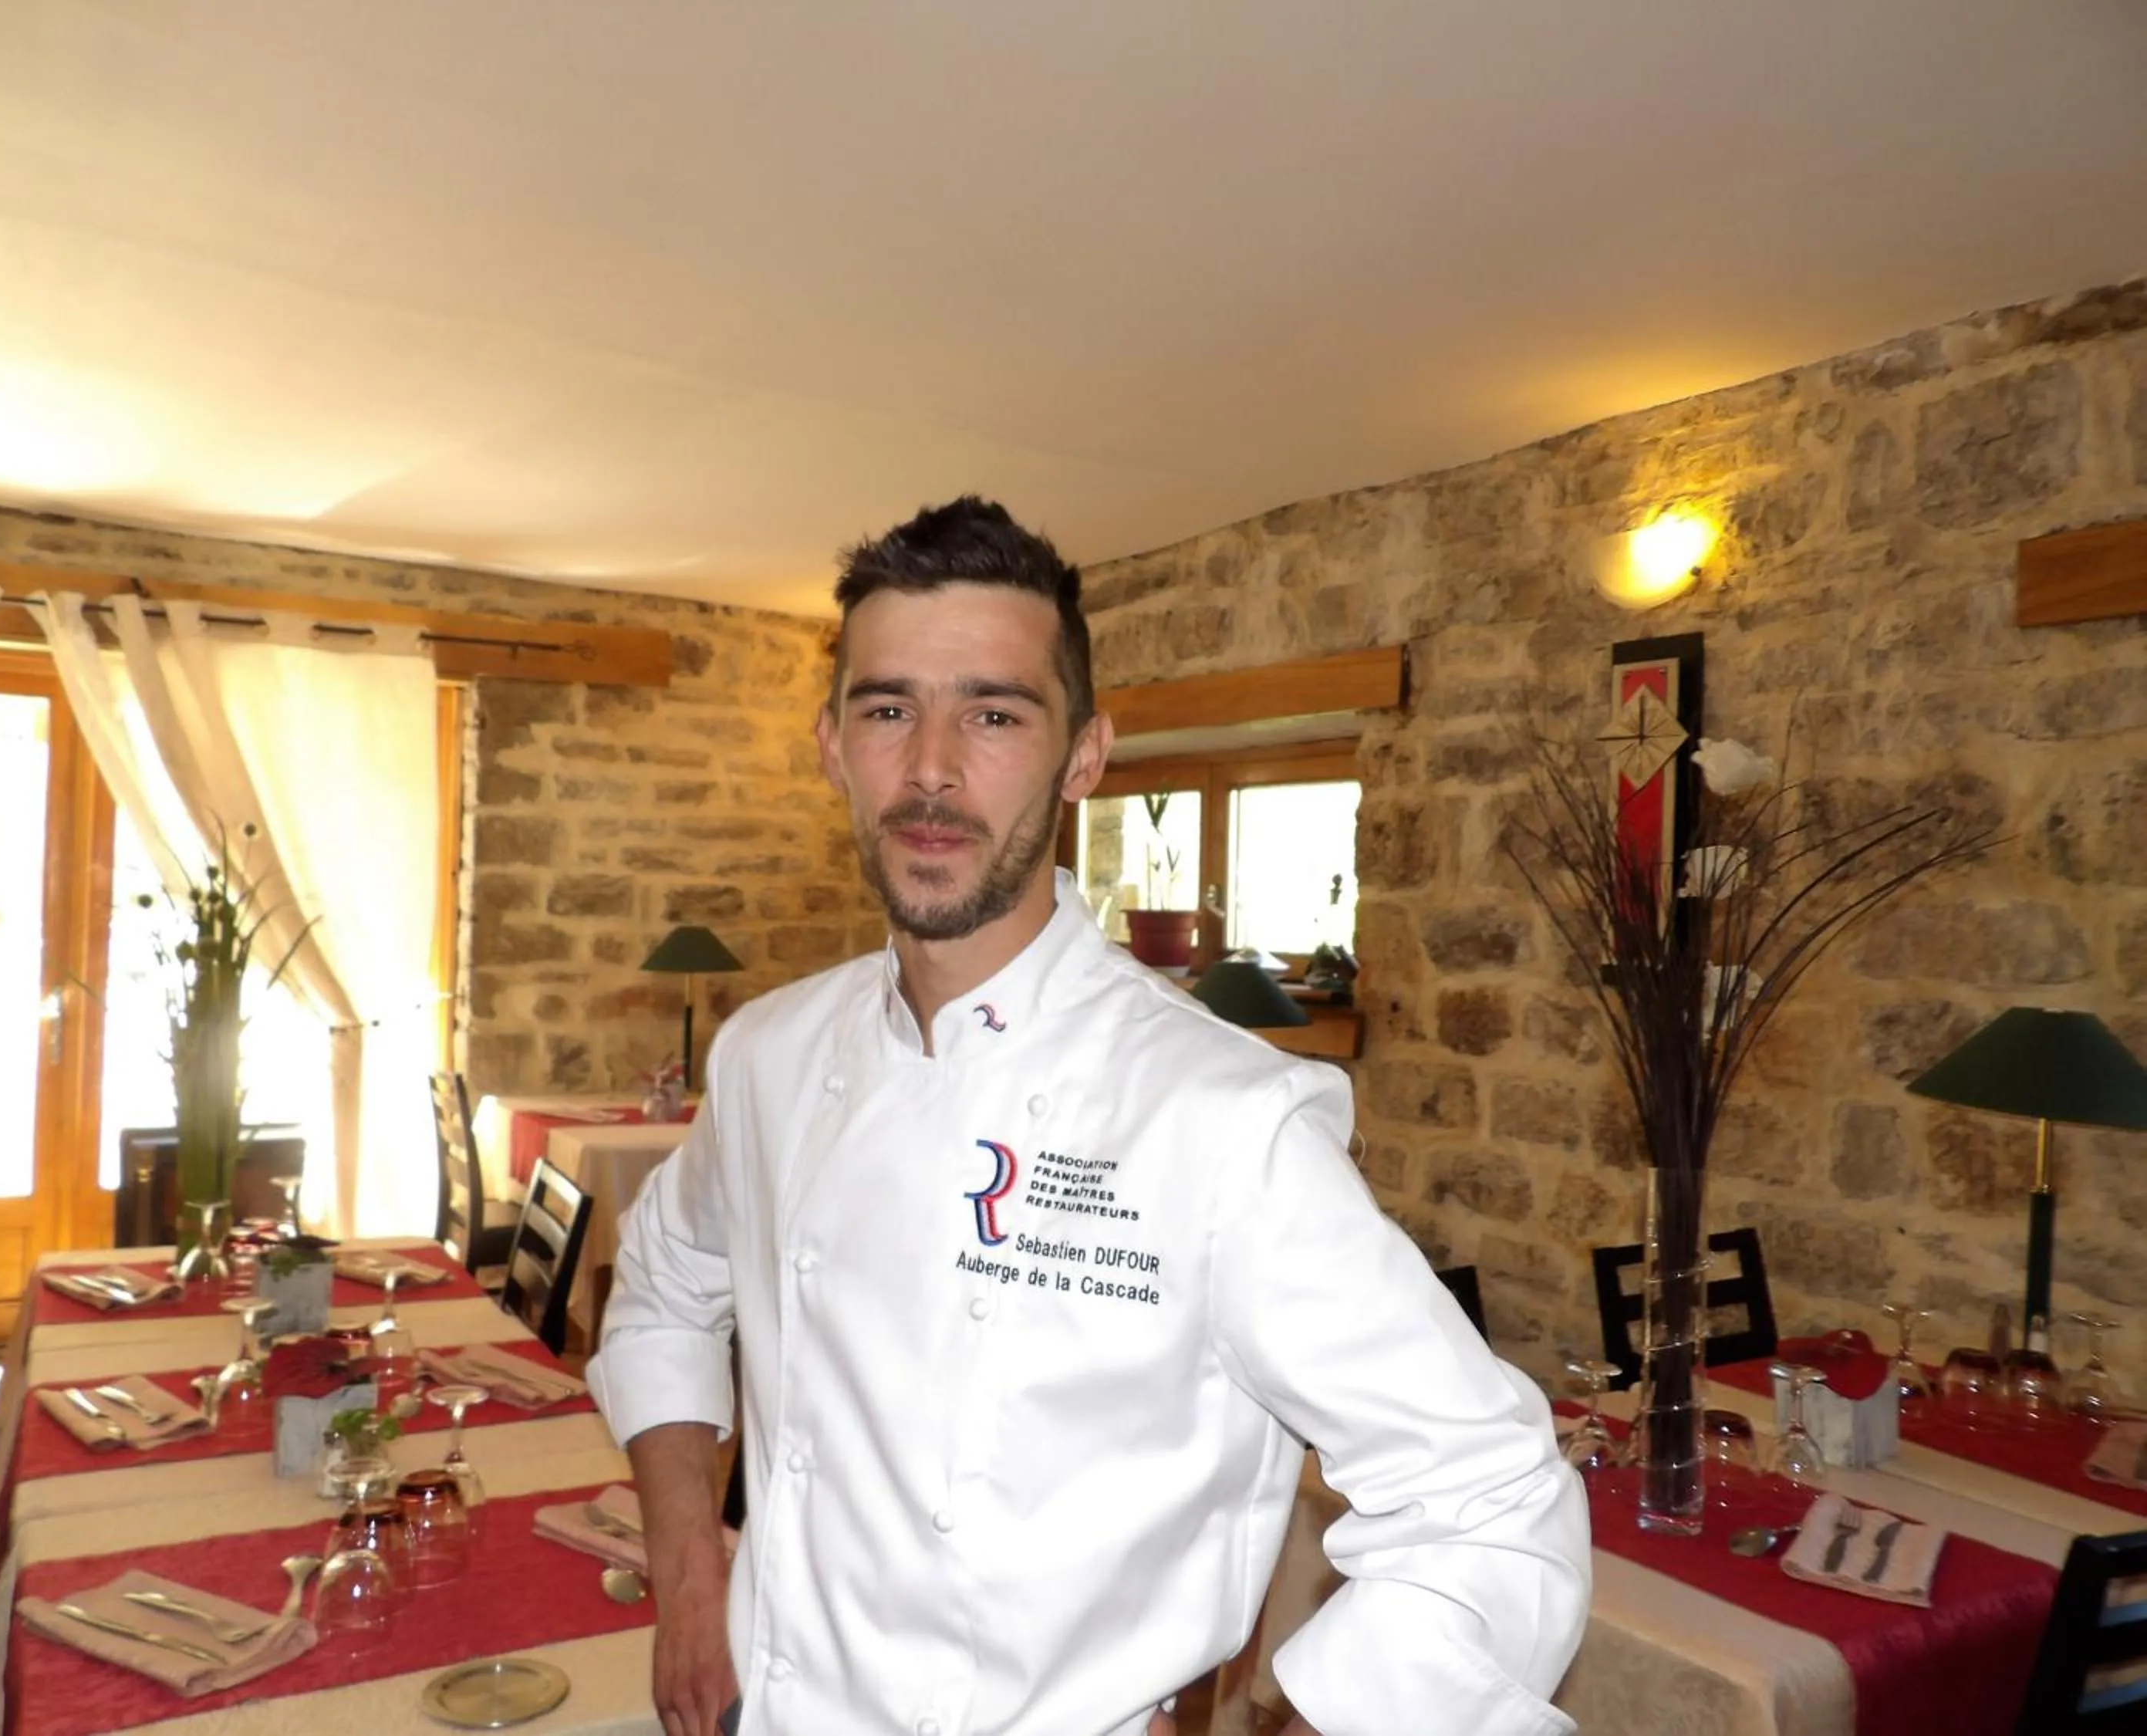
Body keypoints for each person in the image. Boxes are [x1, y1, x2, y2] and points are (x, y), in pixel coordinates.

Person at [591, 496, 1590, 1736]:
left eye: (995, 713)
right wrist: (690, 1578)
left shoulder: (1221, 1119)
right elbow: (665, 1287)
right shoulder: (768, 1055)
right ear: (831, 744)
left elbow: (1493, 1497)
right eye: (888, 707)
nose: (933, 768)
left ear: (1084, 756)